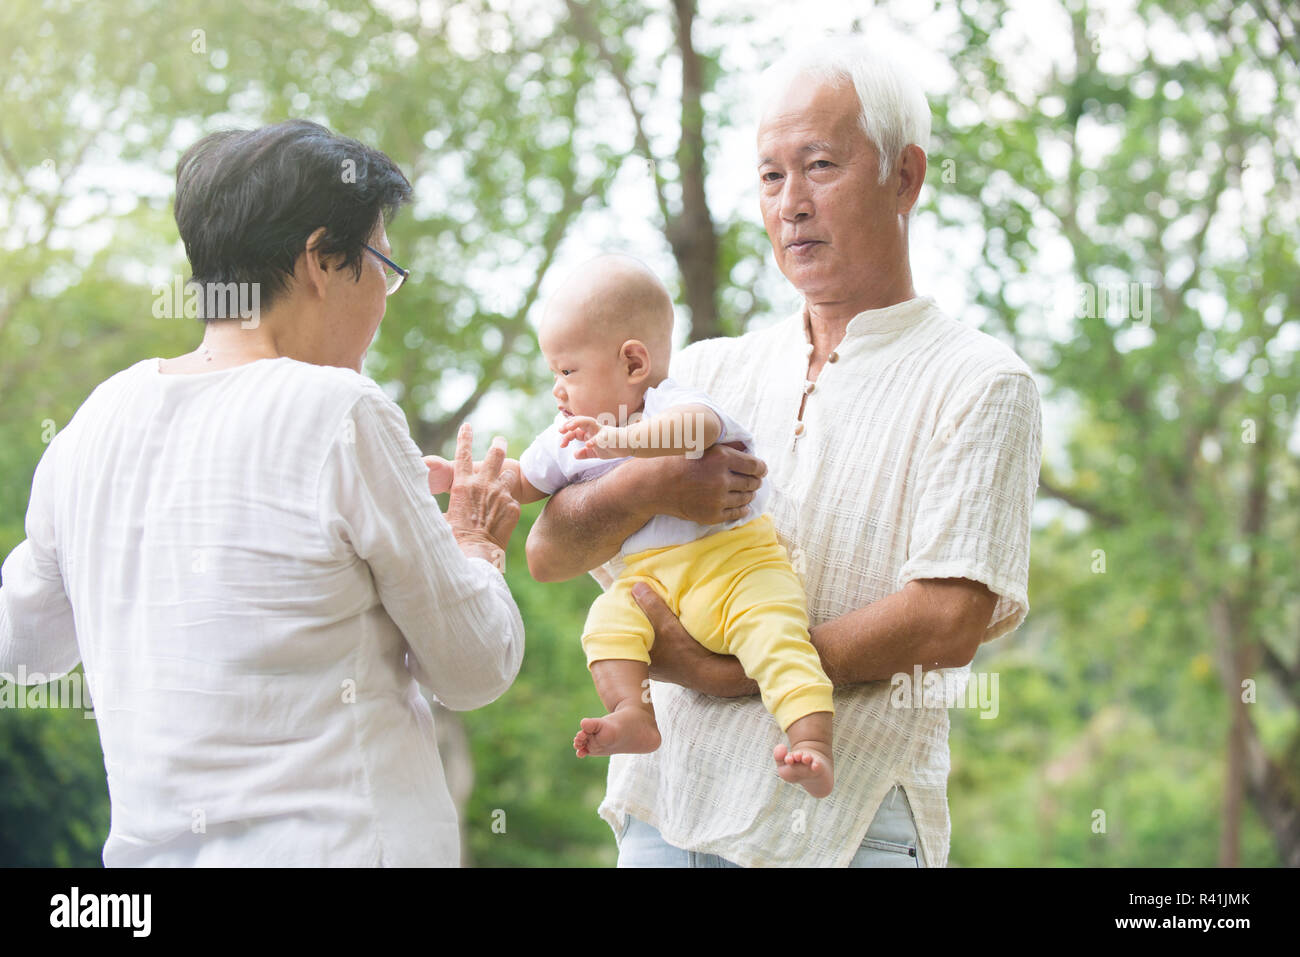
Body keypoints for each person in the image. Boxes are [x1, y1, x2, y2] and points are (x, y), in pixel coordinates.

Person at [526, 37, 1043, 867]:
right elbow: (550, 545)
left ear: (904, 177)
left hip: (846, 823)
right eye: (771, 176)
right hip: (669, 806)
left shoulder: (980, 380)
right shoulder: (701, 371)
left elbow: (950, 617)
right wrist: (652, 484)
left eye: (820, 166)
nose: (790, 202)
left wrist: (727, 672)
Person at [0, 120, 525, 867]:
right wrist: (472, 543)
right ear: (320, 259)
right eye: (382, 263)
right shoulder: (339, 409)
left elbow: (23, 647)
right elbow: (473, 667)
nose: (385, 294)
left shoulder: (93, 423)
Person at [433, 255, 835, 796]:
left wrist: (624, 441)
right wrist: (463, 477)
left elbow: (698, 430)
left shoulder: (675, 403)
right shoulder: (571, 433)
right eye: (554, 372)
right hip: (651, 582)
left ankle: (811, 740)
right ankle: (633, 712)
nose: (557, 389)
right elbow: (524, 480)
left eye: (568, 371)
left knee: (778, 637)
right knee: (606, 623)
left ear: (633, 363)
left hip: (738, 567)